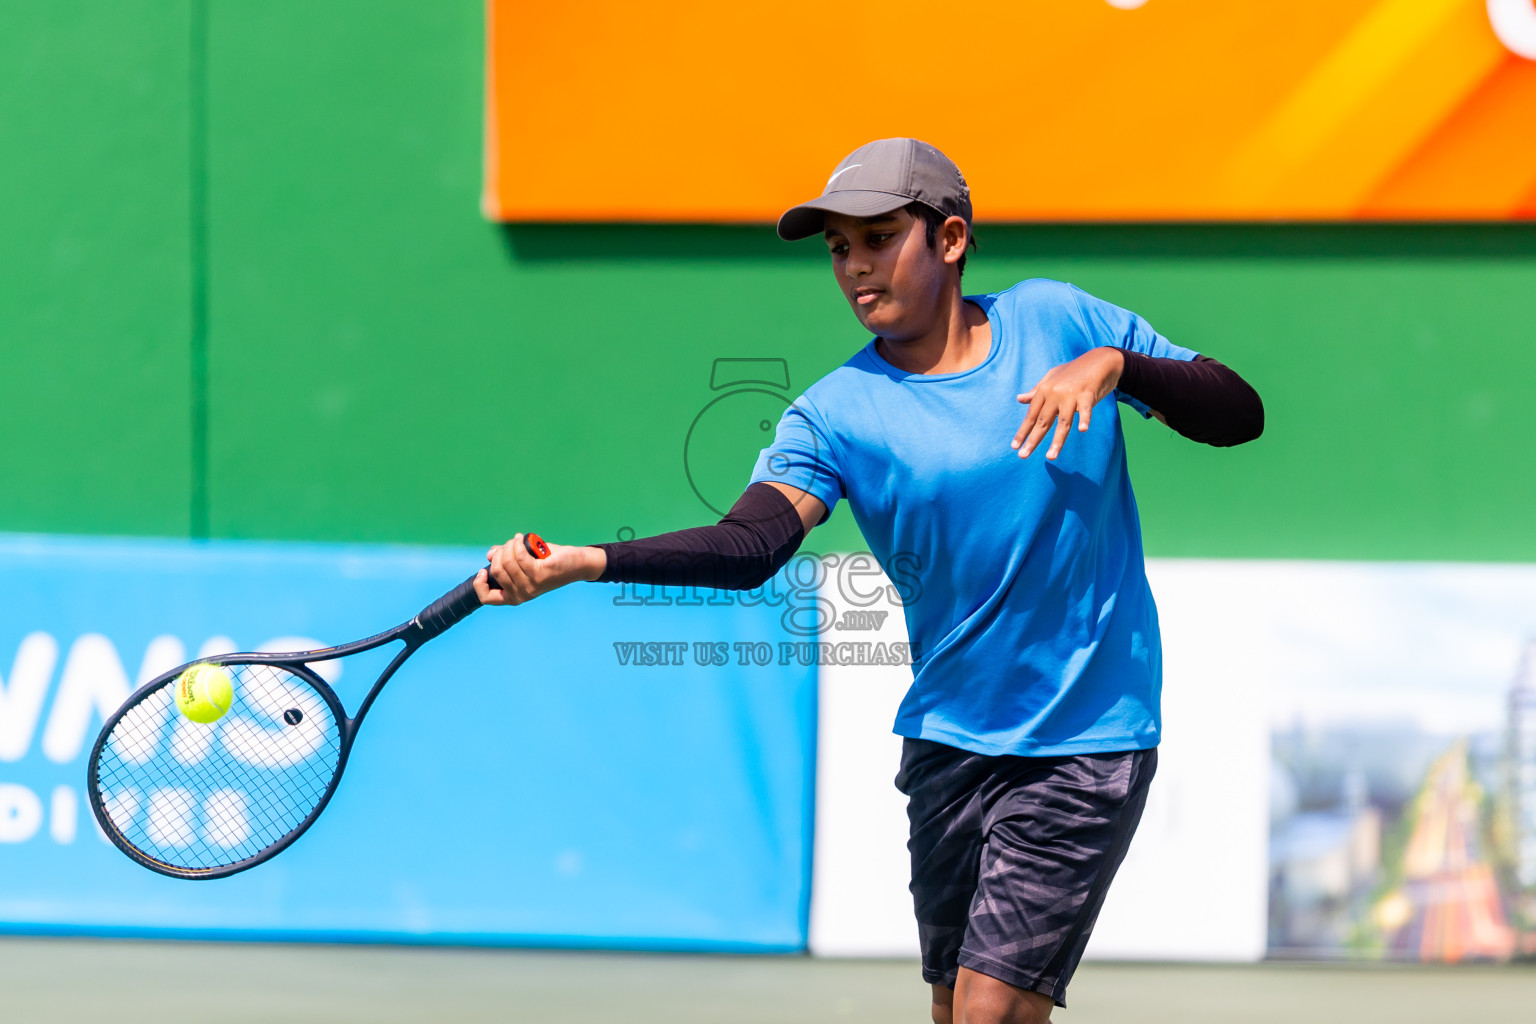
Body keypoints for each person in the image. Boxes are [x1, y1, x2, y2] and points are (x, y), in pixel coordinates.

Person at [474, 138, 1263, 1024]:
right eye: (839, 248)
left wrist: (1122, 366)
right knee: (951, 1009)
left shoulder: (1062, 322)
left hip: (1085, 738)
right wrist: (590, 563)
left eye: (880, 238)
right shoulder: (833, 412)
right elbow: (751, 546)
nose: (855, 267)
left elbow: (1238, 413)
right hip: (949, 742)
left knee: (987, 1014)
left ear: (952, 238)